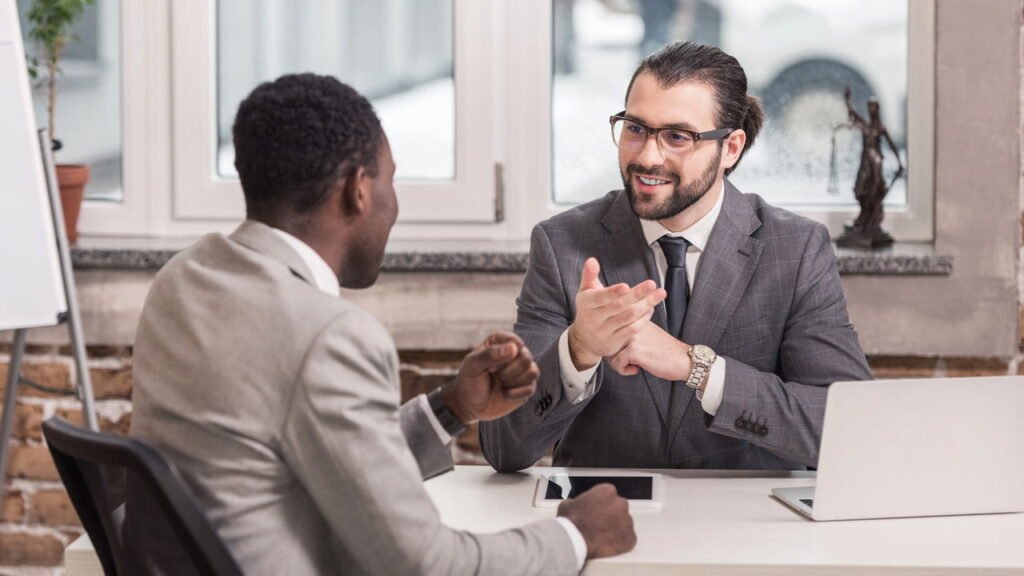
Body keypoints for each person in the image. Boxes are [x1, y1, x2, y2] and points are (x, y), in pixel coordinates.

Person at [130, 73, 635, 575]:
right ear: (358, 190)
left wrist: (451, 408)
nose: (394, 203)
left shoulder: (181, 279)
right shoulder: (328, 335)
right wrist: (574, 535)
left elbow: (320, 463)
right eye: (390, 180)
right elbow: (425, 565)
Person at [480, 41, 872, 472]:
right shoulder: (563, 244)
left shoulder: (795, 249)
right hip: (602, 520)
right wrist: (577, 351)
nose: (648, 156)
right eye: (635, 129)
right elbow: (504, 449)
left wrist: (695, 367)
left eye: (677, 137)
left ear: (732, 148)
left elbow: (849, 431)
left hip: (746, 527)